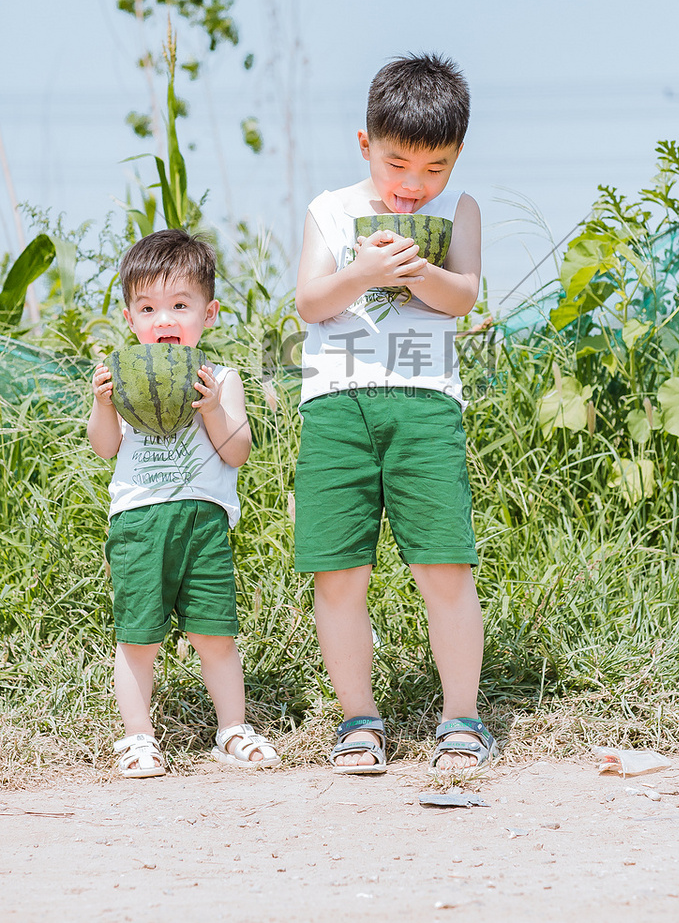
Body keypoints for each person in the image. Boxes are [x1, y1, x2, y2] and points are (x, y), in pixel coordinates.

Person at [294, 54, 497, 777]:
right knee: (338, 572)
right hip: (335, 407)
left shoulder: (459, 208)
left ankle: (462, 718)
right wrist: (361, 273)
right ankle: (358, 719)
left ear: (456, 158)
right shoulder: (331, 208)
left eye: (434, 167)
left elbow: (465, 294)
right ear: (364, 144)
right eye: (397, 163)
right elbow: (310, 303)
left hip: (424, 406)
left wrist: (418, 271)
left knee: (444, 564)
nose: (414, 185)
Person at [88, 229, 279, 777]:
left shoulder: (222, 379)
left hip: (203, 522)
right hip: (139, 524)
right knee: (137, 637)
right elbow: (105, 448)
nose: (163, 319)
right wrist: (104, 406)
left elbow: (237, 451)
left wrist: (212, 407)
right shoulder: (124, 379)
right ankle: (138, 737)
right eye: (147, 308)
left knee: (216, 633)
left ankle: (232, 730)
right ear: (130, 320)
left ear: (209, 313)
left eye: (179, 305)